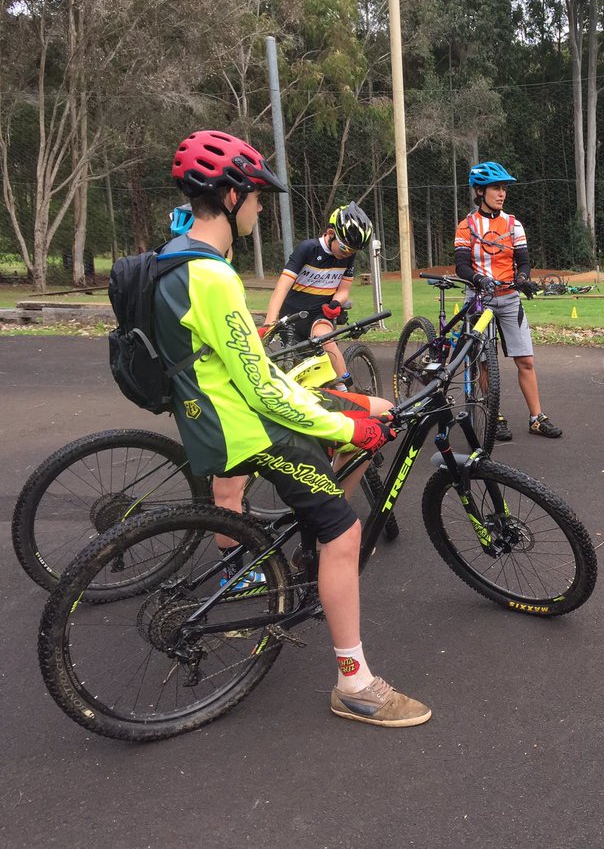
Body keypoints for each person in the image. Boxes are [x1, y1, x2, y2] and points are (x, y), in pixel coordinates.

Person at [158, 129, 431, 728]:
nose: (259, 207)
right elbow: (263, 390)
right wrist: (345, 423)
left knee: (352, 422)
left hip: (208, 414)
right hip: (243, 426)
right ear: (230, 196)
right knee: (344, 531)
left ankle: (291, 549)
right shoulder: (213, 277)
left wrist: (345, 404)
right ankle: (355, 684)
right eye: (256, 196)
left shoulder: (173, 258)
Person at [454, 161, 560, 440]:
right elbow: (461, 266)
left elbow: (523, 261)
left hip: (509, 298)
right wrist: (479, 279)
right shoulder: (466, 226)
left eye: (504, 189)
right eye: (496, 188)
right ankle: (495, 415)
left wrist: (522, 278)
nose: (502, 194)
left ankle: (537, 418)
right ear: (480, 191)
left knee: (526, 360)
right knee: (484, 362)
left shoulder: (514, 224)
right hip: (480, 299)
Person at [261, 202, 374, 389]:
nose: (348, 254)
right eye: (345, 248)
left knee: (325, 338)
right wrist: (269, 322)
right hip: (292, 315)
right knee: (292, 368)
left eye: (353, 251)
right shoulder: (308, 249)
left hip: (319, 314)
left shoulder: (347, 257)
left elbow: (344, 290)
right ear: (330, 234)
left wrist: (336, 303)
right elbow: (281, 288)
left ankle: (344, 390)